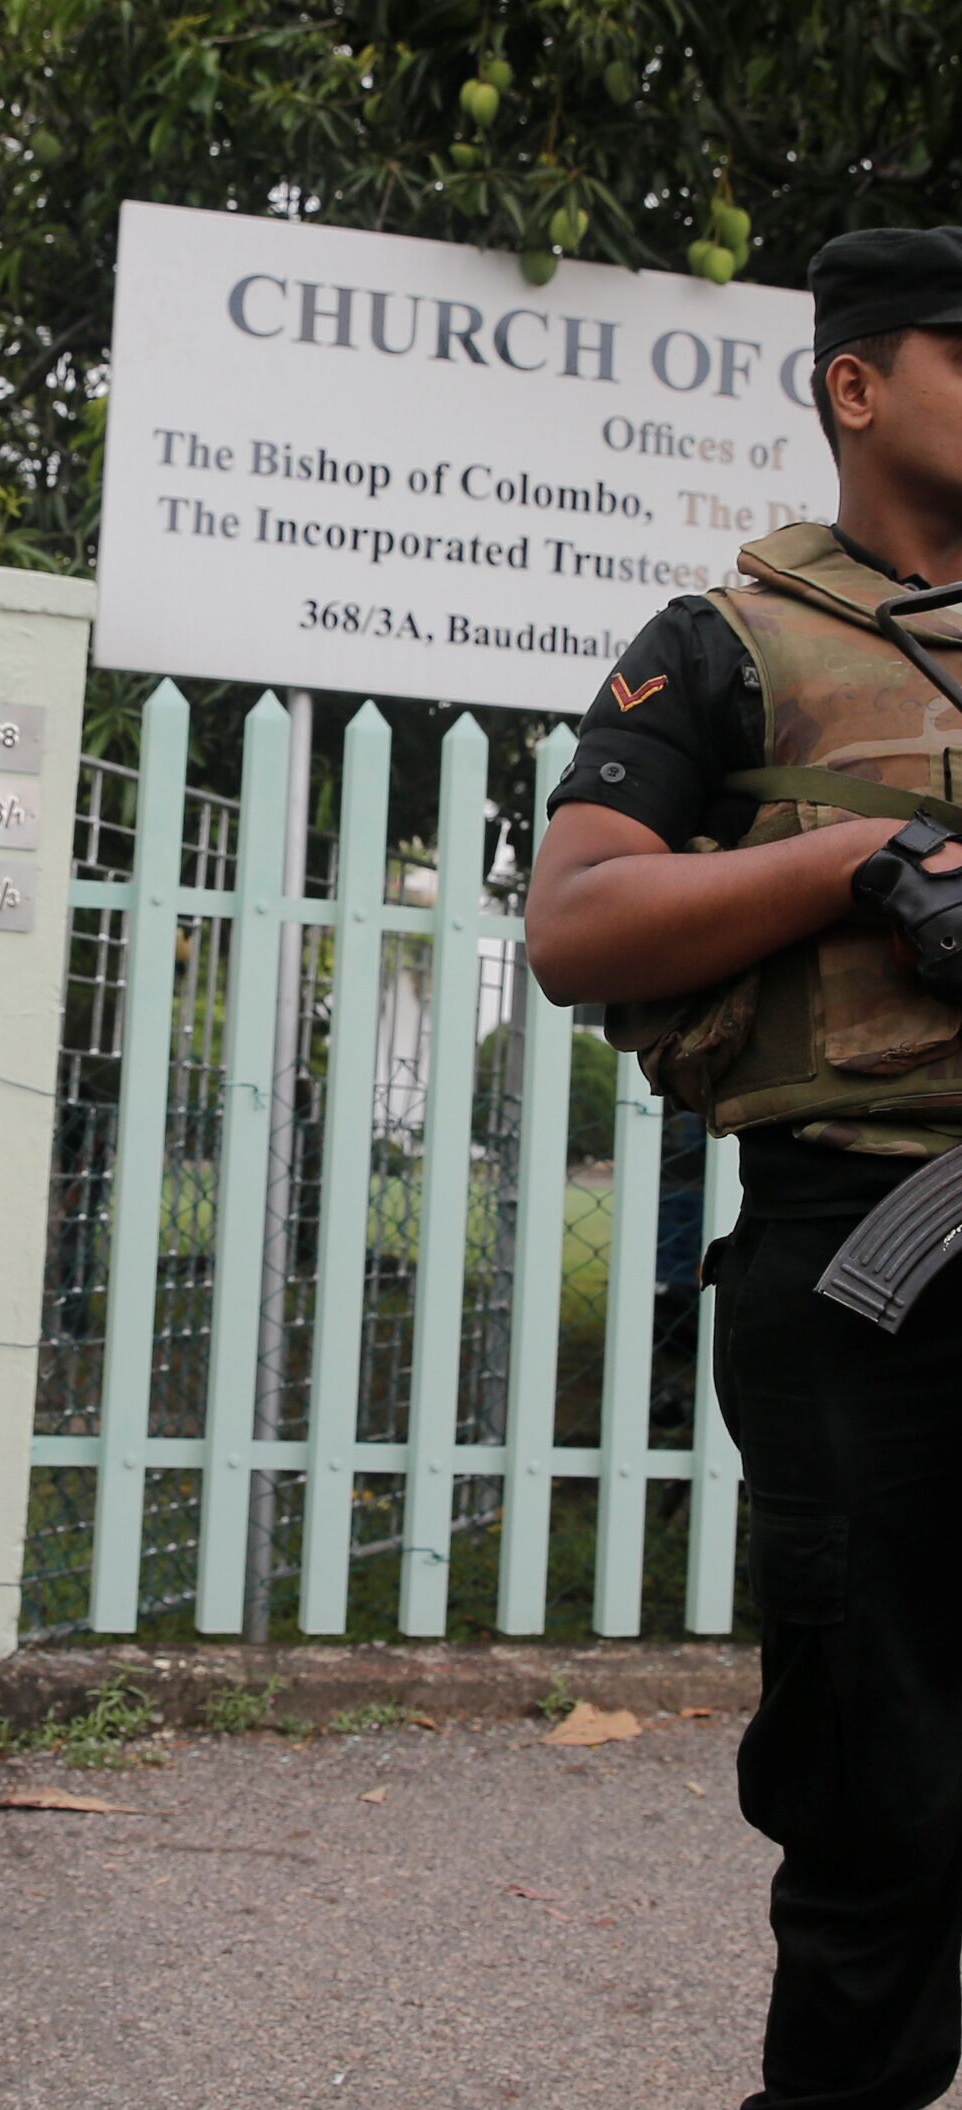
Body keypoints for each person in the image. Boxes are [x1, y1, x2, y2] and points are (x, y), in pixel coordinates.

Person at [527, 226, 962, 2108]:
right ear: (856, 386)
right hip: (871, 1259)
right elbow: (577, 923)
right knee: (883, 1783)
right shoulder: (722, 647)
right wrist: (859, 864)